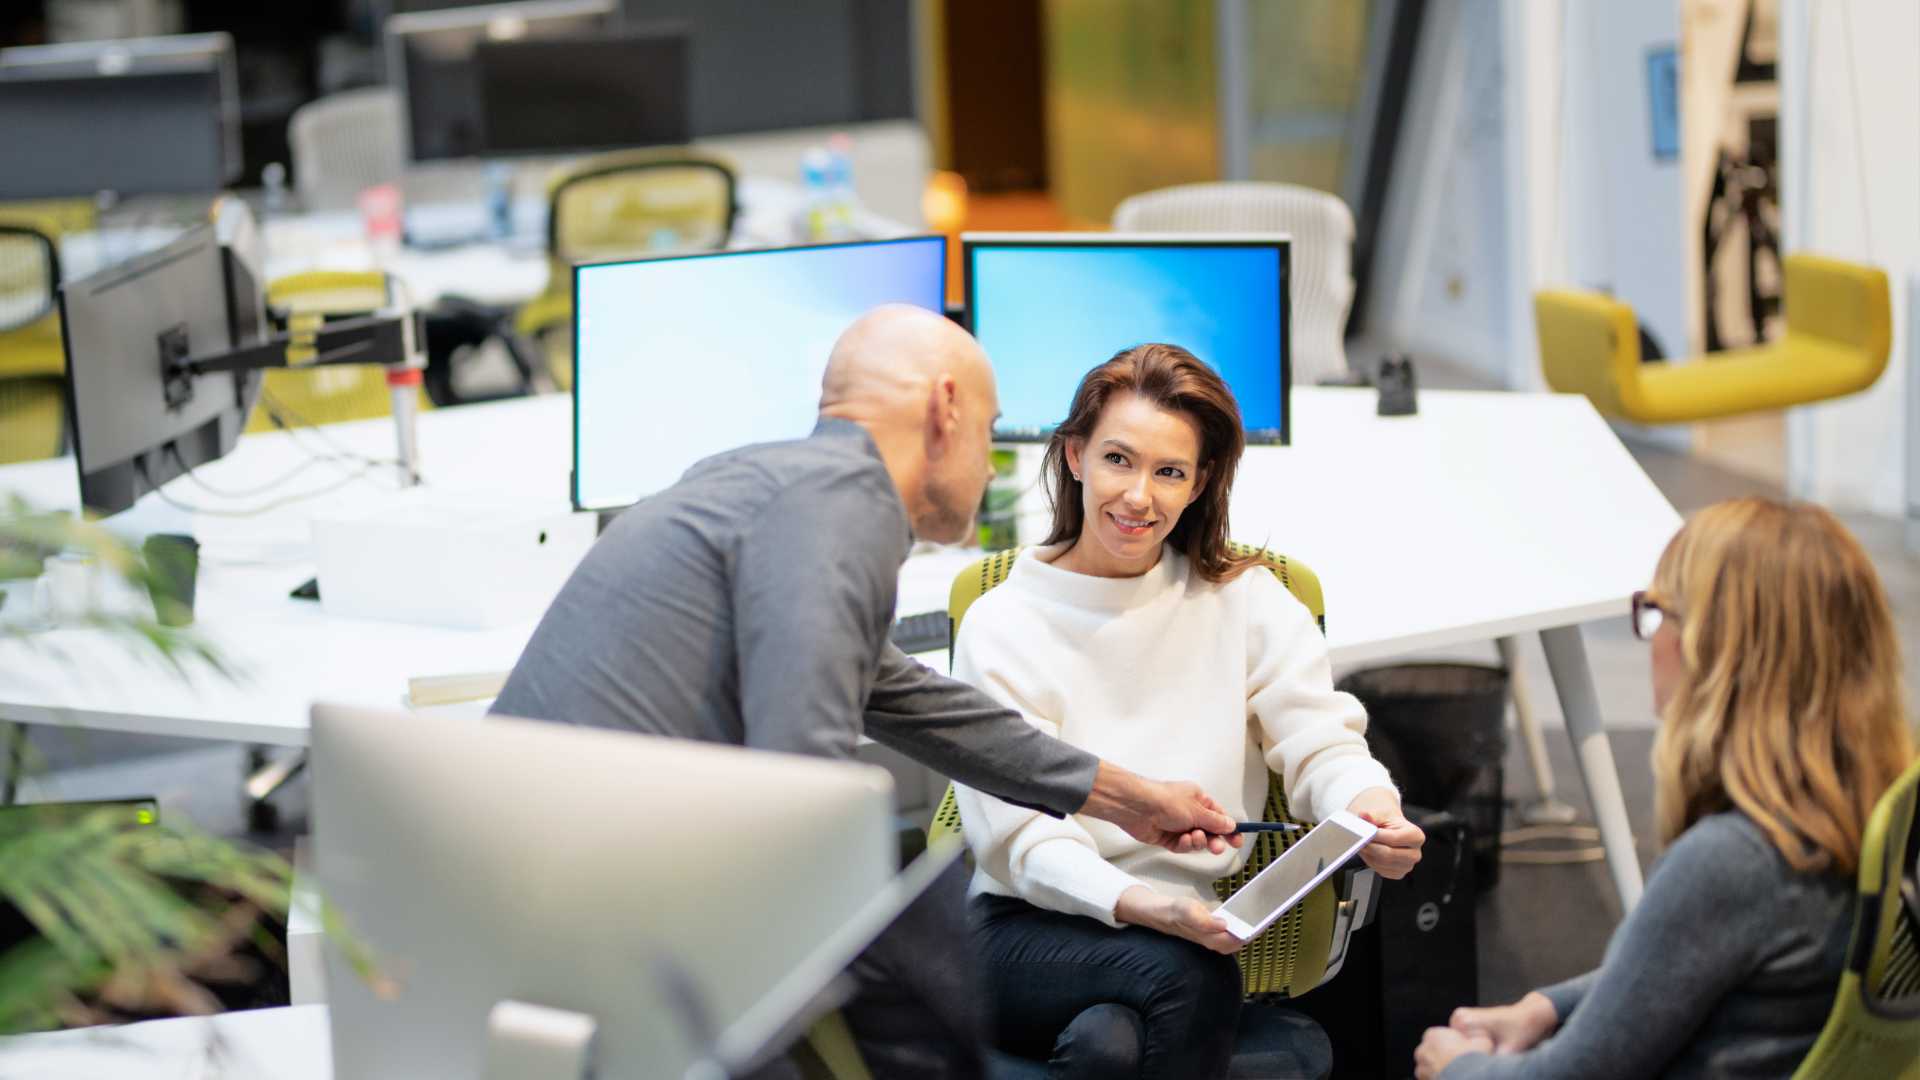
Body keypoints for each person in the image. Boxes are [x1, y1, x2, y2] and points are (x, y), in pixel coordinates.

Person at [491, 306, 1245, 1077]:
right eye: (988, 434)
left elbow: (910, 698)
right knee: (916, 948)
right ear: (945, 409)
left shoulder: (771, 483)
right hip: (604, 903)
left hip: (540, 889)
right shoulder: (844, 506)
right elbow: (807, 796)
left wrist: (1131, 798)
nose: (989, 470)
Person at [951, 343, 1427, 1079]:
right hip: (1024, 925)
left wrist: (1370, 809)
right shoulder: (1002, 624)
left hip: (1174, 934)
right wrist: (1149, 907)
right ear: (1074, 455)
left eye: (1168, 472)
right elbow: (1024, 845)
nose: (1139, 496)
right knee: (1188, 976)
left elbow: (1320, 739)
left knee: (1110, 1046)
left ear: (1200, 481)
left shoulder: (1243, 599)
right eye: (1118, 459)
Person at [1414, 497, 1917, 1079]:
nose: (1651, 638)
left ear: (1714, 647)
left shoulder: (1731, 861)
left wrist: (1456, 1066)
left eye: (1658, 613)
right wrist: (1547, 1007)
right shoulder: (1864, 805)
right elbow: (1684, 961)